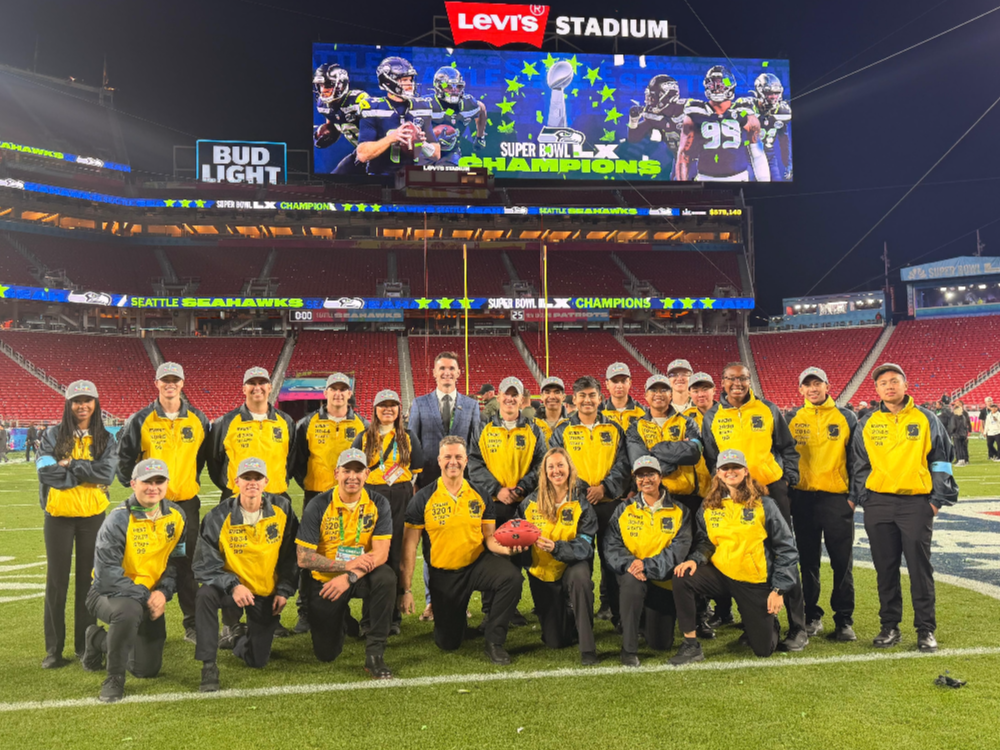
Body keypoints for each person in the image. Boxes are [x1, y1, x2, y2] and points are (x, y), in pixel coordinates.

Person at [851, 363, 959, 653]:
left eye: (894, 381)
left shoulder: (926, 418)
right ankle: (889, 626)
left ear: (905, 385)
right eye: (883, 382)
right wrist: (866, 498)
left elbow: (942, 459)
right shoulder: (867, 422)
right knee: (885, 569)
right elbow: (859, 464)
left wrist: (935, 501)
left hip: (916, 503)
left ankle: (926, 629)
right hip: (878, 504)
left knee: (919, 568)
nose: (889, 386)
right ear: (876, 389)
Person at [701, 361, 808, 651]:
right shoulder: (712, 416)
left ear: (750, 381)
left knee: (784, 552)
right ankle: (758, 624)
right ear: (722, 382)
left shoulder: (768, 409)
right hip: (734, 497)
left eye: (743, 378)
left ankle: (798, 627)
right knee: (748, 557)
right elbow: (712, 457)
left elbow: (787, 447)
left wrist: (787, 478)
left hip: (770, 491)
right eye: (731, 378)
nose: (737, 384)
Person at [400, 437, 522, 665]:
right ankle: (455, 622)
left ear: (466, 460)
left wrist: (509, 551)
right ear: (439, 460)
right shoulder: (423, 498)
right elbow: (409, 547)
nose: (453, 462)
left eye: (458, 457)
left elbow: (490, 539)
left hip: (476, 565)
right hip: (444, 574)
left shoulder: (480, 494)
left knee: (511, 578)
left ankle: (494, 642)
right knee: (448, 642)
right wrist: (406, 589)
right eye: (447, 457)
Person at [670, 449, 799, 664]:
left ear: (745, 471)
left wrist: (778, 589)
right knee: (682, 577)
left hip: (753, 580)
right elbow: (706, 542)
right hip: (721, 574)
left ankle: (768, 622)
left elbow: (786, 549)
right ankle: (690, 645)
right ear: (718, 473)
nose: (731, 472)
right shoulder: (709, 506)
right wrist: (694, 559)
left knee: (763, 649)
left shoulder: (765, 505)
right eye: (725, 468)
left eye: (735, 467)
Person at [116, 362, 210, 645]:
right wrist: (140, 490)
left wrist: (185, 482)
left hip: (186, 504)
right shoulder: (140, 419)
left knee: (188, 563)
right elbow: (124, 460)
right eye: (165, 379)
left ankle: (192, 624)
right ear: (156, 383)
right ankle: (147, 621)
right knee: (148, 560)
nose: (170, 384)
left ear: (182, 383)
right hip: (150, 505)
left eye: (175, 379)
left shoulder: (198, 419)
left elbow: (201, 458)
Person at [81, 458, 186, 703]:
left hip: (148, 596)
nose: (153, 487)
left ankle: (96, 640)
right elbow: (107, 576)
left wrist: (163, 592)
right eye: (147, 482)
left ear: (167, 484)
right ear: (133, 484)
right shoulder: (118, 520)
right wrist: (146, 595)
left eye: (159, 481)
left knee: (146, 669)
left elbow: (177, 561)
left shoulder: (177, 516)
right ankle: (114, 678)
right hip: (108, 594)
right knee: (128, 611)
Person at [192, 457, 298, 692]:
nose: (252, 482)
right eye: (246, 478)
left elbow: (291, 555)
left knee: (257, 660)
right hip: (231, 589)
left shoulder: (283, 509)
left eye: (257, 478)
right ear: (236, 481)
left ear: (266, 482)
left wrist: (283, 590)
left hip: (264, 590)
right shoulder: (217, 516)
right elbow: (203, 564)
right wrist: (233, 585)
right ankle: (208, 665)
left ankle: (238, 638)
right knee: (205, 595)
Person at [36, 380, 118, 669]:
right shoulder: (51, 435)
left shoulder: (106, 438)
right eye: (77, 401)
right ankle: (53, 650)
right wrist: (87, 475)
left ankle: (85, 647)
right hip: (58, 517)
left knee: (88, 582)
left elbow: (107, 474)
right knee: (56, 583)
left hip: (92, 517)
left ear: (95, 403)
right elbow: (46, 473)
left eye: (87, 400)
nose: (82, 406)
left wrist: (71, 465)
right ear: (68, 404)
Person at [296, 448, 396, 678]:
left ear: (367, 474)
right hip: (326, 580)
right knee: (326, 654)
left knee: (386, 578)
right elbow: (304, 557)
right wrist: (344, 567)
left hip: (359, 575)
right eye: (347, 471)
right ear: (336, 474)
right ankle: (343, 618)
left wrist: (350, 576)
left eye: (358, 471)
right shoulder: (318, 504)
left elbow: (381, 554)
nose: (353, 477)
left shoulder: (378, 503)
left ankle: (375, 654)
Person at [407, 351, 482, 621]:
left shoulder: (471, 405)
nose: (447, 373)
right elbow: (413, 447)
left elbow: (476, 446)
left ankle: (460, 601)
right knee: (431, 545)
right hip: (429, 485)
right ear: (434, 373)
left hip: (461, 487)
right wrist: (414, 484)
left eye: (451, 368)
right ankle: (431, 601)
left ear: (459, 373)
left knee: (461, 546)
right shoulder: (419, 403)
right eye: (442, 368)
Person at [551, 376, 631, 624]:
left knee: (613, 561)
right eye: (582, 395)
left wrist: (604, 488)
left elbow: (623, 464)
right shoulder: (562, 430)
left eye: (592, 395)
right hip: (576, 506)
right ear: (574, 399)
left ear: (600, 398)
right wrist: (586, 491)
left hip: (609, 505)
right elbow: (558, 466)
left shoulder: (614, 429)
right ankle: (576, 617)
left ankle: (617, 614)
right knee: (578, 562)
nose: (587, 400)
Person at [293, 372, 369, 633]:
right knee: (310, 554)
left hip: (350, 500)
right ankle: (305, 611)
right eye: (333, 389)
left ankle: (342, 610)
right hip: (316, 497)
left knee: (344, 551)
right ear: (325, 393)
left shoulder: (362, 424)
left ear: (350, 393)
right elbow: (297, 461)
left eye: (343, 389)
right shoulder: (307, 423)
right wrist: (312, 483)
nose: (338, 394)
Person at [787, 367, 858, 642]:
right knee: (807, 562)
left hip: (837, 498)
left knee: (842, 562)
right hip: (803, 499)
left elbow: (857, 459)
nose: (813, 388)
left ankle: (844, 620)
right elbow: (784, 456)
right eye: (808, 384)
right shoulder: (791, 418)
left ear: (828, 386)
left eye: (818, 383)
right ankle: (811, 615)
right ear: (800, 390)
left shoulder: (846, 417)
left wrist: (853, 496)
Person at [469, 376, 545, 625]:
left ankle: (511, 608)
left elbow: (541, 464)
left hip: (522, 504)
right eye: (507, 394)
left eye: (515, 395)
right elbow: (474, 463)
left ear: (522, 399)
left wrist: (522, 488)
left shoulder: (533, 429)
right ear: (499, 396)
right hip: (492, 505)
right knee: (493, 557)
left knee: (519, 556)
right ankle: (490, 609)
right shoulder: (483, 427)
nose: (510, 399)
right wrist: (496, 489)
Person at [605, 456, 693, 666]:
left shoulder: (681, 511)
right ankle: (629, 649)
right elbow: (611, 546)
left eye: (650, 474)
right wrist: (630, 564)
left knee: (660, 643)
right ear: (635, 480)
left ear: (660, 477)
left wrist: (647, 565)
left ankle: (644, 620)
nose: (646, 479)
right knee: (630, 582)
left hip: (663, 580)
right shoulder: (623, 509)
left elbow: (678, 552)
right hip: (634, 575)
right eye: (640, 475)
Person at [514, 447, 599, 665]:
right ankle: (569, 614)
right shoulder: (529, 503)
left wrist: (556, 548)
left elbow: (585, 546)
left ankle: (588, 648)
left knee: (580, 578)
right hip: (542, 571)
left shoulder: (582, 503)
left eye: (561, 465)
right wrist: (518, 545)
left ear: (570, 468)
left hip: (571, 564)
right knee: (555, 640)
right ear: (544, 472)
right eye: (550, 467)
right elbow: (517, 533)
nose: (556, 471)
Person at [353, 389, 424, 635]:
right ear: (375, 410)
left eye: (393, 405)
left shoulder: (408, 437)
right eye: (383, 405)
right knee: (369, 552)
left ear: (399, 410)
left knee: (394, 553)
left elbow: (416, 469)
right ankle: (368, 618)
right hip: (371, 496)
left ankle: (392, 616)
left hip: (400, 495)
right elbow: (354, 470)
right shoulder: (363, 437)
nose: (388, 409)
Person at [209, 367, 296, 500]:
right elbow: (214, 462)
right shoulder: (225, 422)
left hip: (276, 497)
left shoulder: (286, 421)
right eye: (252, 383)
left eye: (262, 382)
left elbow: (292, 459)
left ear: (270, 387)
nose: (257, 387)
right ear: (244, 389)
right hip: (236, 497)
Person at [625, 374, 704, 515]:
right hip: (650, 497)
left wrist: (655, 450)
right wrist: (678, 456)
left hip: (687, 497)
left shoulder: (687, 422)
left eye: (664, 390)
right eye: (653, 390)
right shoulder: (635, 427)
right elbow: (640, 464)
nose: (658, 394)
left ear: (671, 394)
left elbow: (693, 453)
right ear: (646, 396)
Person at [356, 55, 439, 175]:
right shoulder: (373, 107)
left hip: (413, 177)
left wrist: (423, 144)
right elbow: (362, 155)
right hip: (380, 177)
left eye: (410, 80)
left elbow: (436, 154)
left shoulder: (422, 106)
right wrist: (392, 138)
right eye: (404, 80)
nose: (410, 84)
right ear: (388, 82)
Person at [601, 362, 645, 431]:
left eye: (623, 381)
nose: (619, 386)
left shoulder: (643, 412)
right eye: (615, 381)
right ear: (607, 384)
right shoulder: (598, 413)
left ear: (630, 383)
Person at [534, 376, 570, 444]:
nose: (552, 396)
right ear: (541, 396)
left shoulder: (573, 424)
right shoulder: (532, 425)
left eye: (557, 392)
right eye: (547, 392)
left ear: (563, 397)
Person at [950, 402, 971, 466]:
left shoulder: (954, 417)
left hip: (957, 435)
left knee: (958, 448)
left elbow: (953, 426)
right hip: (963, 434)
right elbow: (965, 426)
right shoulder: (963, 417)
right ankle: (964, 460)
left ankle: (960, 460)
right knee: (963, 447)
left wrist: (951, 432)